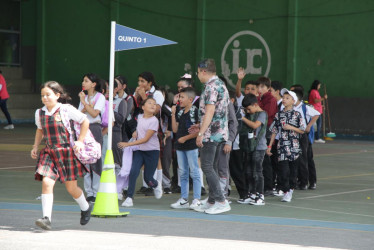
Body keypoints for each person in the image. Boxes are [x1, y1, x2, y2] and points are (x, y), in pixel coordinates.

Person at [31, 81, 93, 230]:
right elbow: (40, 130)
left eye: (48, 95)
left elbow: (85, 121)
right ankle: (47, 218)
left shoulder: (66, 109)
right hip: (49, 152)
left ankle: (85, 207)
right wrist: (35, 146)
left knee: (71, 188)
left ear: (57, 95)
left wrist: (80, 141)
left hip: (66, 152)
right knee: (47, 182)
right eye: (42, 96)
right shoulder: (39, 113)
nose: (45, 98)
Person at [194, 58, 231, 214]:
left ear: (203, 71)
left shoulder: (211, 87)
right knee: (213, 167)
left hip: (210, 134)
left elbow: (209, 111)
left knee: (207, 166)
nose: (197, 76)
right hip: (220, 132)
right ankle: (211, 201)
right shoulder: (221, 85)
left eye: (197, 72)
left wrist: (201, 132)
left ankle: (221, 201)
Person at [118, 97, 163, 207]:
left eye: (154, 103)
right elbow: (139, 131)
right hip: (140, 150)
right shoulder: (140, 117)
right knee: (133, 172)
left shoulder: (154, 121)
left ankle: (156, 185)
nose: (153, 105)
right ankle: (129, 197)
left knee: (148, 179)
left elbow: (145, 139)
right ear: (143, 107)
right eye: (150, 103)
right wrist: (135, 132)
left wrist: (127, 144)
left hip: (152, 151)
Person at [267, 89, 305, 202]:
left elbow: (303, 130)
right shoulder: (279, 114)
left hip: (295, 147)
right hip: (282, 147)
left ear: (293, 101)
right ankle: (286, 191)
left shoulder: (297, 114)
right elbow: (274, 131)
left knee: (293, 171)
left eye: (287, 98)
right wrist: (269, 146)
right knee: (283, 171)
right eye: (283, 97)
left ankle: (290, 189)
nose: (284, 100)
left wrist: (291, 127)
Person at [134, 72, 165, 195]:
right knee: (142, 153)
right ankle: (146, 185)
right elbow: (133, 109)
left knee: (155, 157)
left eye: (142, 81)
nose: (140, 84)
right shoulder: (138, 92)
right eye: (139, 81)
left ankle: (158, 184)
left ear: (150, 83)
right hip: (140, 125)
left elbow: (156, 110)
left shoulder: (157, 93)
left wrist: (144, 97)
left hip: (153, 127)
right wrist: (136, 97)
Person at [170, 87, 201, 209]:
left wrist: (186, 138)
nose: (180, 100)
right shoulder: (179, 112)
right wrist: (173, 114)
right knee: (182, 172)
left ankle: (197, 199)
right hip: (180, 146)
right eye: (179, 97)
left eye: (182, 97)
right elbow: (175, 129)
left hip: (191, 146)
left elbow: (199, 130)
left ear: (190, 99)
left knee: (194, 172)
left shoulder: (195, 111)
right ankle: (184, 199)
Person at [78, 73, 105, 203]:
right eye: (83, 80)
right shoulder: (83, 97)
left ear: (93, 84)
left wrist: (84, 104)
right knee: (85, 160)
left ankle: (96, 191)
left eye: (86, 81)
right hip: (84, 128)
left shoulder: (100, 97)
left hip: (95, 128)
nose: (83, 83)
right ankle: (89, 192)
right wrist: (84, 105)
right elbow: (78, 115)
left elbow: (94, 114)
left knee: (96, 160)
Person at [292, 88, 320, 190]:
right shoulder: (291, 107)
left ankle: (309, 182)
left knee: (306, 159)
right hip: (294, 135)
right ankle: (298, 180)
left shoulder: (305, 107)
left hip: (304, 136)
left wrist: (309, 126)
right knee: (296, 159)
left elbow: (317, 114)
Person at [257, 76, 277, 196]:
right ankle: (263, 185)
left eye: (262, 87)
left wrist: (255, 107)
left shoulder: (271, 99)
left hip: (268, 131)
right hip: (261, 131)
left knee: (266, 160)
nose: (260, 89)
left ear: (268, 88)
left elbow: (266, 114)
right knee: (262, 160)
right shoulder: (260, 98)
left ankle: (269, 186)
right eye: (258, 86)